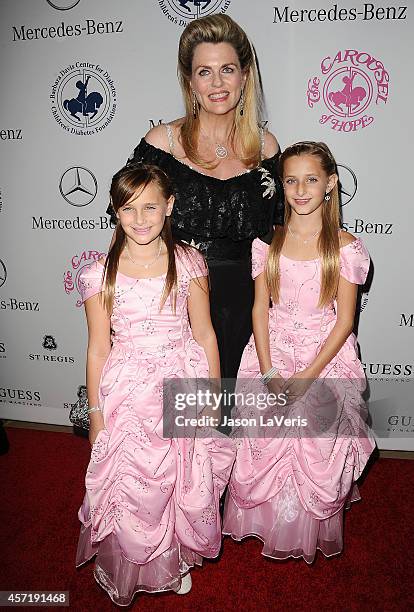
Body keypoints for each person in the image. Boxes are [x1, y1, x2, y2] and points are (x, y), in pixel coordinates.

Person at [76, 163, 235, 605]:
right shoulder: (97, 274)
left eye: (150, 206)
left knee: (179, 477)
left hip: (180, 382)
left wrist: (212, 396)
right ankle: (130, 557)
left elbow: (204, 333)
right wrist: (96, 414)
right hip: (126, 391)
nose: (141, 218)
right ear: (115, 211)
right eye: (129, 209)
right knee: (132, 481)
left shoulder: (188, 262)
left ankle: (174, 557)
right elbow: (97, 349)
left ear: (169, 206)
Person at [223, 141, 376, 563]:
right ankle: (267, 519)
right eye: (291, 180)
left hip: (323, 353)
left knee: (311, 433)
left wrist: (307, 376)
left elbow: (345, 321)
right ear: (282, 186)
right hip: (271, 349)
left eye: (311, 179)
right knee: (264, 430)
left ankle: (305, 524)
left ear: (330, 183)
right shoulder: (267, 242)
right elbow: (259, 308)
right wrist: (269, 369)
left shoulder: (346, 248)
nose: (301, 189)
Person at [108, 14, 282, 383]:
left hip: (246, 310)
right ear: (190, 81)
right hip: (175, 308)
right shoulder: (161, 144)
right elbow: (125, 232)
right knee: (182, 425)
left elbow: (279, 238)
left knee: (239, 426)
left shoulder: (267, 149)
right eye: (204, 72)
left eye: (228, 70)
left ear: (245, 76)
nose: (217, 83)